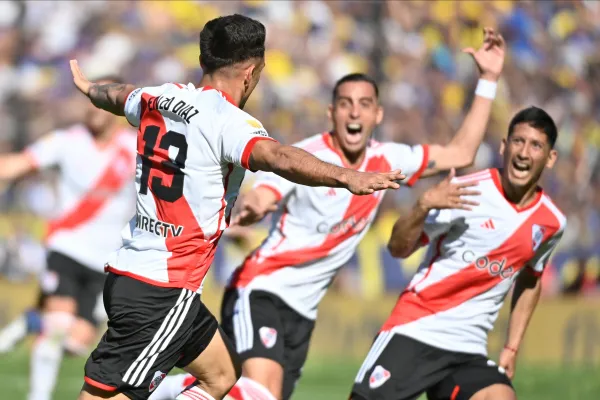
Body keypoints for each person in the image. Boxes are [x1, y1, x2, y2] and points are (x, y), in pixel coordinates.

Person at [70, 14, 403, 400]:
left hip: (136, 273)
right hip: (163, 288)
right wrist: (347, 176)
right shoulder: (230, 122)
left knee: (222, 373)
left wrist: (90, 88)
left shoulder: (157, 96)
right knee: (104, 395)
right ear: (250, 71)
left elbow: (118, 94)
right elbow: (279, 157)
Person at [166, 28, 507, 400]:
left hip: (303, 312)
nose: (354, 112)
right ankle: (166, 392)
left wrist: (488, 80)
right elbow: (266, 191)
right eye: (345, 103)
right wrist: (252, 206)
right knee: (262, 392)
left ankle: (173, 389)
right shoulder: (311, 158)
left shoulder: (390, 159)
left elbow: (460, 154)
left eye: (363, 104)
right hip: (261, 289)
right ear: (331, 112)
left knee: (254, 394)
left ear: (377, 114)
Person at [350, 106, 566, 400]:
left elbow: (531, 278)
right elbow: (397, 248)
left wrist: (512, 347)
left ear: (550, 157)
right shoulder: (465, 192)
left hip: (468, 349)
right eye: (518, 141)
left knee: (501, 396)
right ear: (504, 146)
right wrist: (422, 206)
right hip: (416, 329)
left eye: (536, 145)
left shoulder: (552, 221)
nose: (524, 153)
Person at [0, 77, 137, 400]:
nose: (94, 107)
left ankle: (29, 322)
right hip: (66, 246)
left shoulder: (134, 147)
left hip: (106, 257)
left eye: (102, 99)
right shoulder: (66, 141)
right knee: (57, 328)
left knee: (75, 342)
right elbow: (17, 164)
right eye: (91, 99)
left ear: (117, 105)